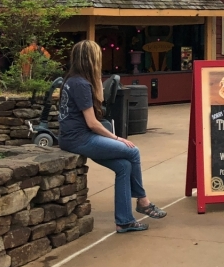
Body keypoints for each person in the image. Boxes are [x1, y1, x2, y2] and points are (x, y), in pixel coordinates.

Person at [58, 40, 165, 233]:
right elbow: (92, 123)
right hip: (81, 139)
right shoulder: (81, 84)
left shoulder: (72, 80)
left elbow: (100, 103)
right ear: (90, 59)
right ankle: (143, 201)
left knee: (124, 166)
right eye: (97, 57)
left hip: (74, 137)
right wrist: (117, 139)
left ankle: (124, 222)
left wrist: (97, 82)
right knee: (133, 151)